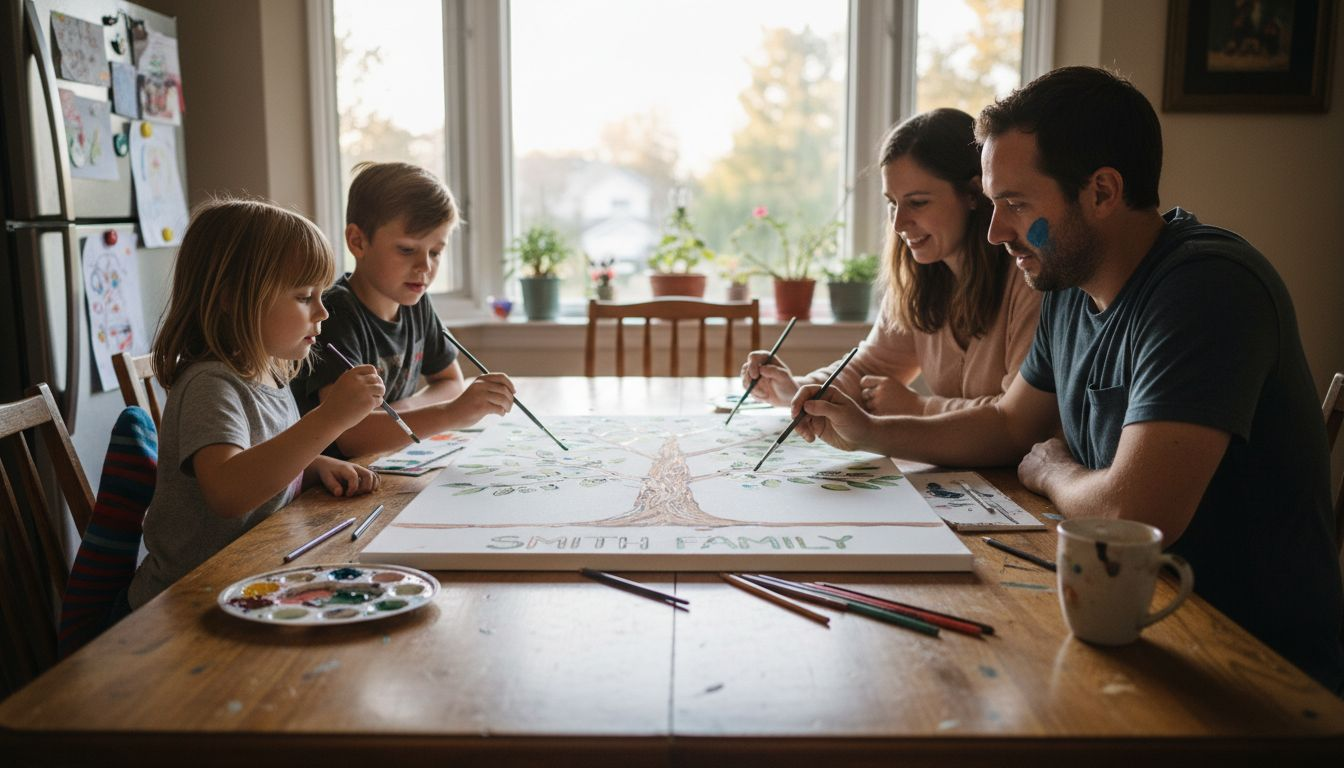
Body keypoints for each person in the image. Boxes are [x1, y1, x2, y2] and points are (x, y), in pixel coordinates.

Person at [793, 66, 1344, 693]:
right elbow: (1008, 425)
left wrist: (1051, 469)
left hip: (1247, 664)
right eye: (994, 204)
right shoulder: (1067, 284)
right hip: (1126, 619)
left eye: (1016, 204)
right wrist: (869, 431)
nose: (996, 231)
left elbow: (1131, 511)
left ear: (1103, 192)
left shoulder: (1207, 288)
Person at [126, 199, 387, 610]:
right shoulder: (210, 384)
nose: (322, 310)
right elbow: (229, 492)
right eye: (304, 296)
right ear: (231, 297)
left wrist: (314, 464)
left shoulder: (269, 372)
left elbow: (261, 453)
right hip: (187, 601)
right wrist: (330, 417)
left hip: (253, 575)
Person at [741, 109, 1040, 416]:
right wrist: (798, 388)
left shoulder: (1028, 278)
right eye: (892, 203)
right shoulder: (921, 279)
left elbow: (1016, 419)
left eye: (918, 202)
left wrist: (920, 408)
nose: (898, 224)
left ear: (974, 194)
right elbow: (869, 367)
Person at [292, 162, 516, 457]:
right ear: (357, 241)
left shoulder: (416, 302)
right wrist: (449, 414)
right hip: (328, 483)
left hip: (385, 462)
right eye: (407, 249)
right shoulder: (334, 314)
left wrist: (400, 412)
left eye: (435, 252)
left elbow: (450, 381)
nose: (425, 266)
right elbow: (349, 437)